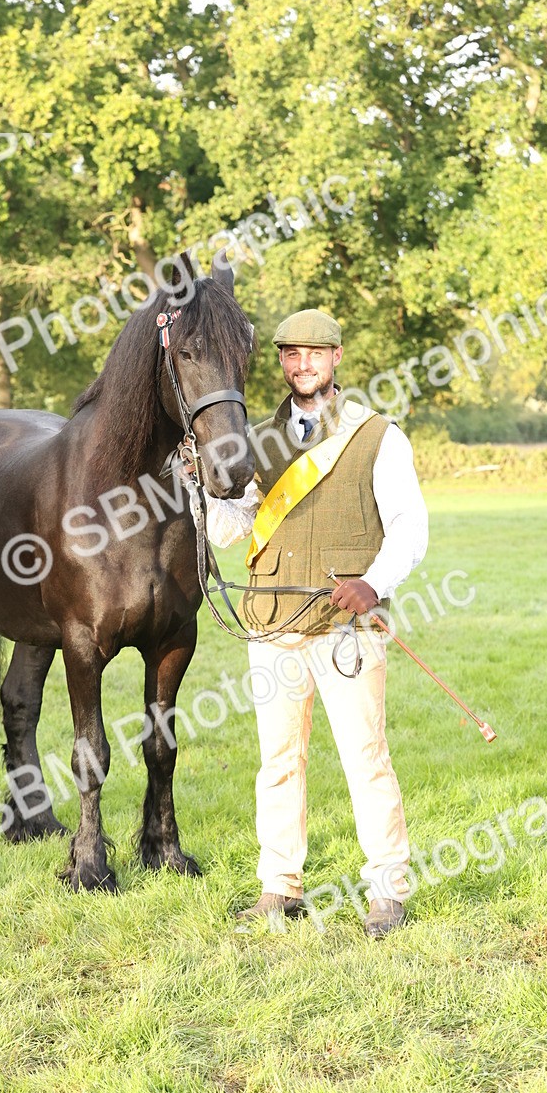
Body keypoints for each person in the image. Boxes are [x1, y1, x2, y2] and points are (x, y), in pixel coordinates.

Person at [204, 309, 429, 937]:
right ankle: (280, 887)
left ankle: (387, 887)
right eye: (290, 354)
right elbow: (231, 529)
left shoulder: (379, 436)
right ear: (282, 362)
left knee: (366, 757)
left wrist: (373, 583)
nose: (302, 365)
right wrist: (203, 488)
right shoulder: (255, 439)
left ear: (335, 359)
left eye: (314, 354)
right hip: (272, 622)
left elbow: (411, 530)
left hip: (343, 626)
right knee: (278, 760)